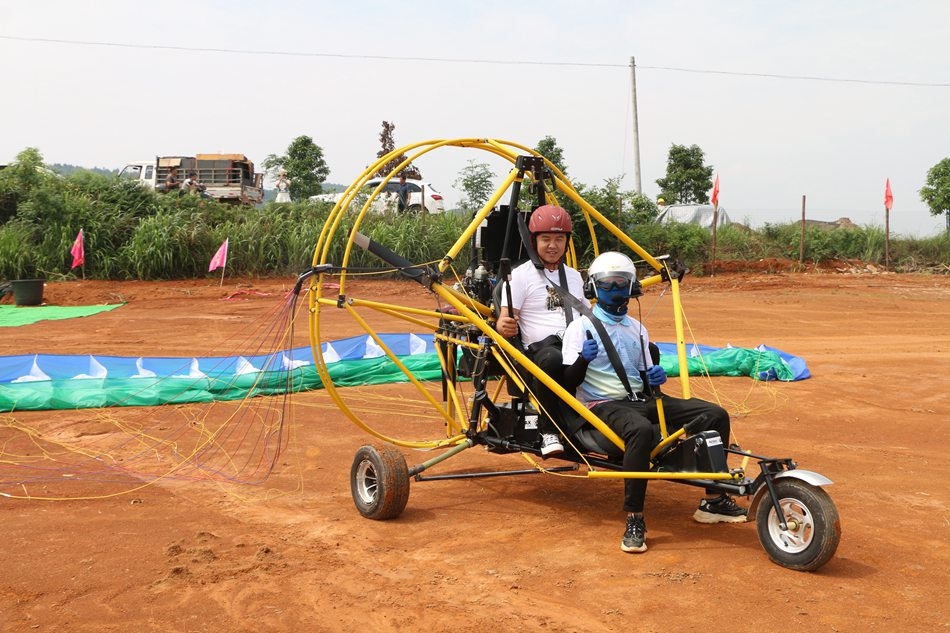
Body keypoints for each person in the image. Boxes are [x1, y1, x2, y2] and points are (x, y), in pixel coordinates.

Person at [559, 251, 747, 554]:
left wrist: (655, 377)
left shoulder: (638, 329)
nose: (615, 290)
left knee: (714, 414)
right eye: (607, 284)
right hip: (602, 405)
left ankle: (713, 500)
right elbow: (567, 383)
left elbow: (645, 378)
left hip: (640, 399)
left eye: (622, 283)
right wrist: (583, 359)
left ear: (632, 287)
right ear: (594, 288)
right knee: (642, 431)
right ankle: (634, 517)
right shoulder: (581, 328)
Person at [495, 204, 585, 456]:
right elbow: (504, 321)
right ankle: (549, 431)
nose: (552, 245)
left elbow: (588, 315)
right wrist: (503, 326)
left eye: (559, 239)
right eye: (546, 239)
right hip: (540, 353)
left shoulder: (575, 277)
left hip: (572, 347)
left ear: (567, 242)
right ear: (534, 241)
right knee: (553, 358)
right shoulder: (520, 276)